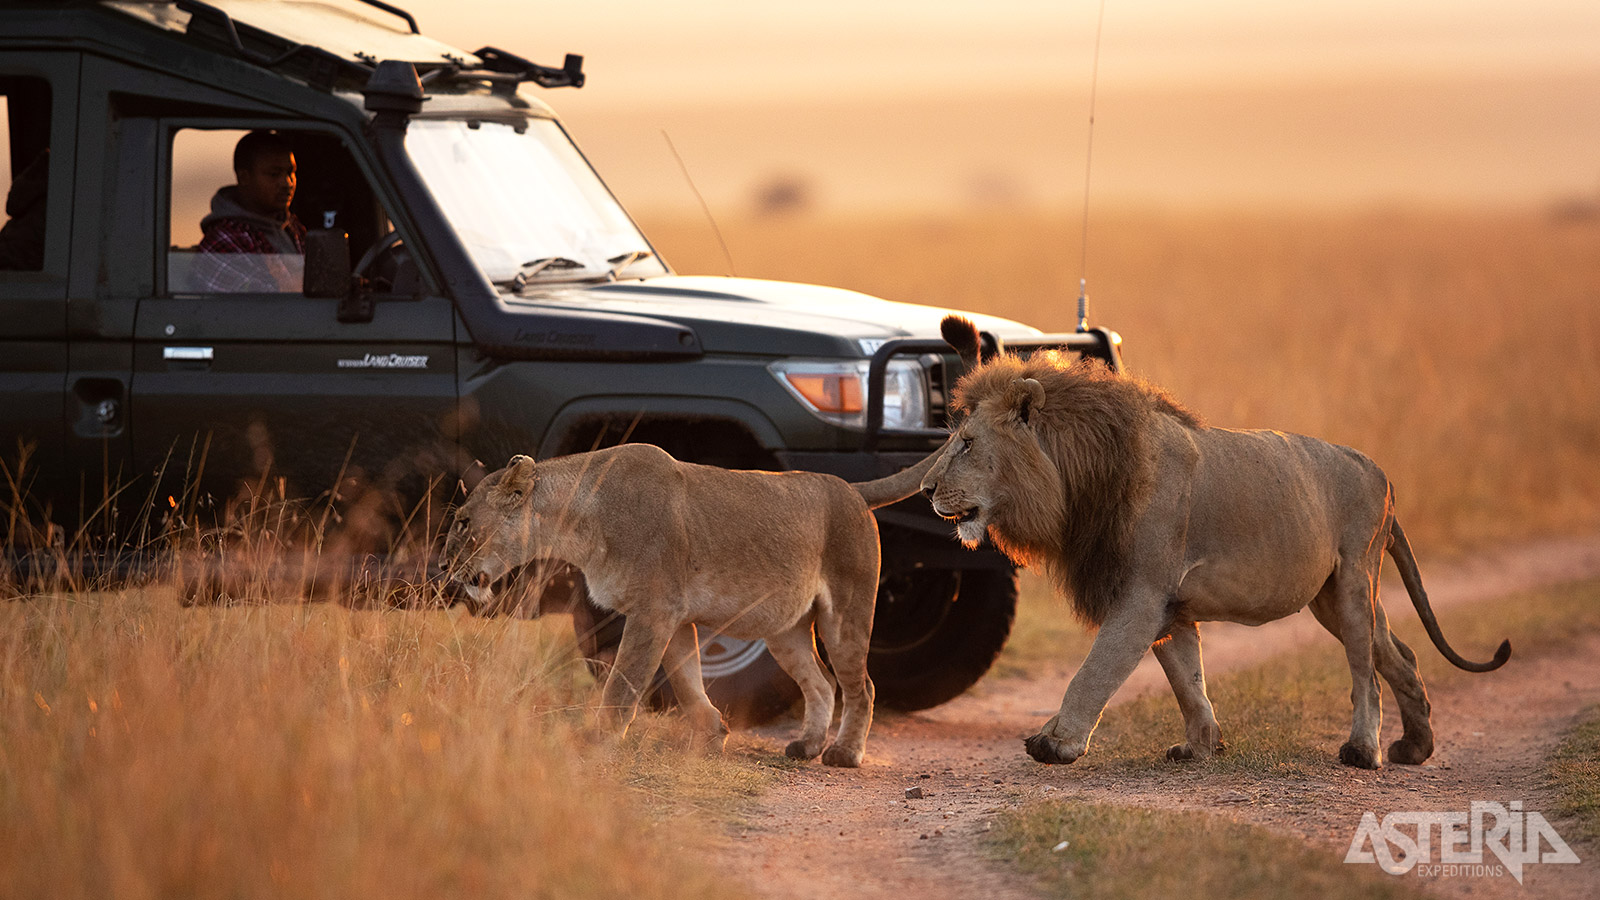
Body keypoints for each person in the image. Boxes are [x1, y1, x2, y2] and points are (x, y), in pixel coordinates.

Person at [193, 130, 306, 292]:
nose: (287, 183)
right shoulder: (224, 241)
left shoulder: (293, 228)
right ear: (244, 177)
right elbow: (263, 302)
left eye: (290, 172)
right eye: (274, 174)